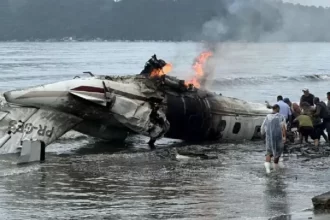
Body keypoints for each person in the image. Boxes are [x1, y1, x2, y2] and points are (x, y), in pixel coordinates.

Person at [261, 104, 287, 174]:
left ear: (273, 109)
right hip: (278, 138)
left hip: (269, 138)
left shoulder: (267, 116)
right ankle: (275, 169)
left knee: (269, 153)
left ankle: (268, 170)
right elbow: (283, 128)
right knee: (277, 153)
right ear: (278, 109)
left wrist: (263, 134)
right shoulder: (281, 117)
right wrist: (284, 137)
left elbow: (262, 128)